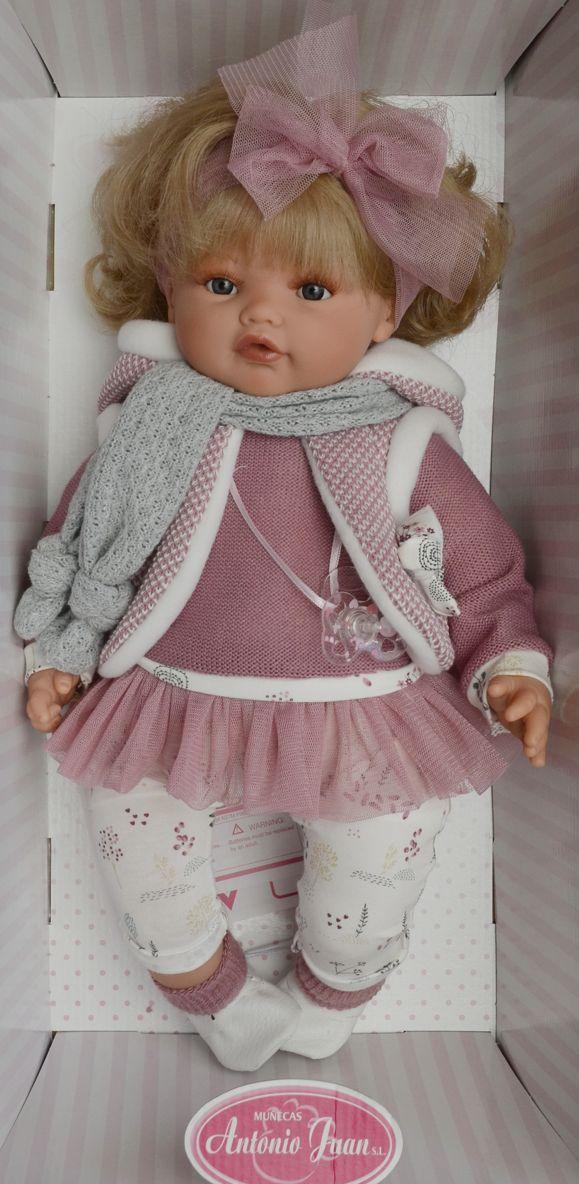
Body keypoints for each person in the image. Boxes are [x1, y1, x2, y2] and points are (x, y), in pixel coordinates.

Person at [14, 7, 553, 1072]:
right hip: (172, 689)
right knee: (134, 836)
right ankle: (208, 988)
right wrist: (60, 653)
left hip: (362, 704)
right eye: (222, 285)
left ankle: (333, 983)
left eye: (310, 291)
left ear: (383, 316)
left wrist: (510, 665)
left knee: (384, 850)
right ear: (170, 287)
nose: (261, 318)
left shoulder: (400, 442)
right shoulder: (147, 431)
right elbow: (82, 543)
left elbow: (482, 571)